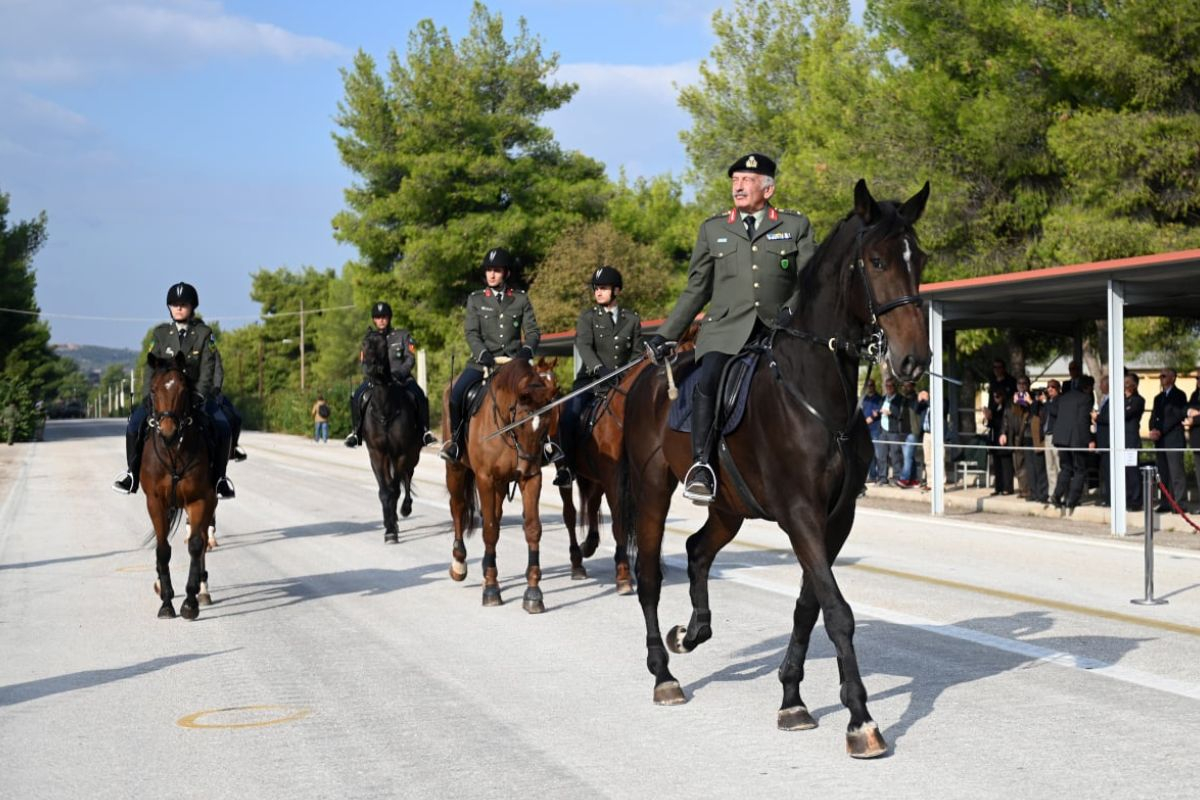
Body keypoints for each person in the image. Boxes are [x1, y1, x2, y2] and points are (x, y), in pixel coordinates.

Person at [641, 153, 816, 504]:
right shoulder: (714, 229)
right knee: (710, 379)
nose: (738, 185)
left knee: (817, 378)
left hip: (778, 330)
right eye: (735, 179)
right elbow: (697, 288)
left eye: (747, 180)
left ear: (768, 188)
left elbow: (809, 281)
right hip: (725, 331)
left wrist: (789, 312)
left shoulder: (795, 226)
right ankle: (702, 465)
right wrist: (666, 334)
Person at [112, 281, 235, 499]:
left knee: (223, 426)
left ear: (192, 307)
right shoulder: (160, 334)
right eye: (174, 304)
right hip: (162, 398)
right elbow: (150, 367)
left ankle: (219, 480)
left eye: (184, 304)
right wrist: (147, 396)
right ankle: (132, 475)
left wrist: (200, 394)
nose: (179, 308)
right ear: (169, 307)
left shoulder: (204, 333)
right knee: (133, 425)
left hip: (196, 397)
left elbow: (208, 367)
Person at [441, 248, 557, 477]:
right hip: (482, 363)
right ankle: (456, 444)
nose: (492, 275)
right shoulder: (475, 300)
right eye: (489, 271)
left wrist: (526, 351)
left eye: (497, 271)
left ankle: (547, 446)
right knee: (456, 395)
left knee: (542, 396)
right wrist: (482, 352)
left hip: (515, 366)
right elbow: (472, 332)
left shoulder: (520, 298)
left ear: (506, 273)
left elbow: (532, 331)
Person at [558, 266, 642, 483]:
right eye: (596, 288)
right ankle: (566, 466)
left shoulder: (631, 319)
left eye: (603, 288)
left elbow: (637, 352)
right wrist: (599, 368)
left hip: (622, 383)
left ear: (617, 291)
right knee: (569, 414)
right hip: (591, 381)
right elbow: (584, 346)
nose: (598, 292)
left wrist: (627, 374)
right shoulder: (588, 317)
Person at [344, 301, 437, 449]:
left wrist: (400, 373)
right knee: (358, 396)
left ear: (389, 318)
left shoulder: (402, 335)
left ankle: (425, 431)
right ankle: (356, 432)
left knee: (419, 394)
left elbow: (410, 358)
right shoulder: (369, 339)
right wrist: (372, 374)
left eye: (384, 317)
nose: (381, 320)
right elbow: (364, 363)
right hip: (376, 381)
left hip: (401, 378)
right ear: (374, 320)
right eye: (378, 317)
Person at [1051, 375, 1094, 511]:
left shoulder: (1064, 397)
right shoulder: (1086, 399)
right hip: (1077, 439)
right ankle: (1072, 499)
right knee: (1079, 469)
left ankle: (1057, 495)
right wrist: (1090, 440)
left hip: (1062, 438)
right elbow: (1083, 421)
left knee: (1065, 468)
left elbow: (1055, 412)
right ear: (1087, 387)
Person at [1148, 367, 1187, 512]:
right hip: (1160, 441)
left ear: (1173, 378)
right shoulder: (1158, 398)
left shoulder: (1179, 395)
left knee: (1176, 473)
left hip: (1173, 439)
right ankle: (1166, 502)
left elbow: (1176, 416)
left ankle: (1179, 504)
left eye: (1164, 376)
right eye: (1160, 376)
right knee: (1163, 473)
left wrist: (1160, 431)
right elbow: (1153, 416)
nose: (1161, 378)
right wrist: (1152, 429)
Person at [211, 346, 246, 462]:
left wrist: (216, 387)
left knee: (236, 417)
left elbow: (218, 370)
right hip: (183, 391)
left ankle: (232, 449)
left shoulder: (209, 345)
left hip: (210, 392)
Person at [1123, 372, 1146, 511]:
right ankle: (1125, 498)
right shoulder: (1121, 399)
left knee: (1132, 471)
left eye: (1127, 383)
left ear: (1134, 385)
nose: (1125, 385)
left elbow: (1126, 414)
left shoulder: (1138, 400)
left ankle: (1136, 501)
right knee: (1124, 472)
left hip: (1131, 440)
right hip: (1121, 440)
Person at [987, 389, 1014, 495]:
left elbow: (1003, 422)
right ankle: (998, 487)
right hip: (995, 438)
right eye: (994, 397)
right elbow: (990, 424)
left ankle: (1007, 487)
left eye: (998, 396)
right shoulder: (994, 407)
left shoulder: (1006, 408)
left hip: (1003, 437)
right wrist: (988, 417)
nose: (996, 399)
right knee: (997, 464)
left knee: (1006, 464)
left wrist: (992, 417)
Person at [861, 379, 884, 483]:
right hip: (865, 430)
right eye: (868, 386)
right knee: (869, 454)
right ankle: (872, 476)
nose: (870, 387)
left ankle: (882, 476)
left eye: (871, 385)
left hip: (875, 429)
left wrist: (871, 418)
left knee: (878, 454)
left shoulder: (879, 398)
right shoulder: (864, 399)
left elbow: (877, 413)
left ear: (874, 386)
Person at [1041, 379, 1062, 491]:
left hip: (1055, 436)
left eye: (1052, 387)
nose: (1049, 389)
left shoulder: (1059, 400)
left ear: (1058, 389)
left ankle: (1060, 492)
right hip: (1047, 436)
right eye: (1048, 387)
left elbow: (1055, 412)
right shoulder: (1048, 403)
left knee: (1058, 464)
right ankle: (1052, 492)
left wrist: (1046, 402)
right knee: (1049, 466)